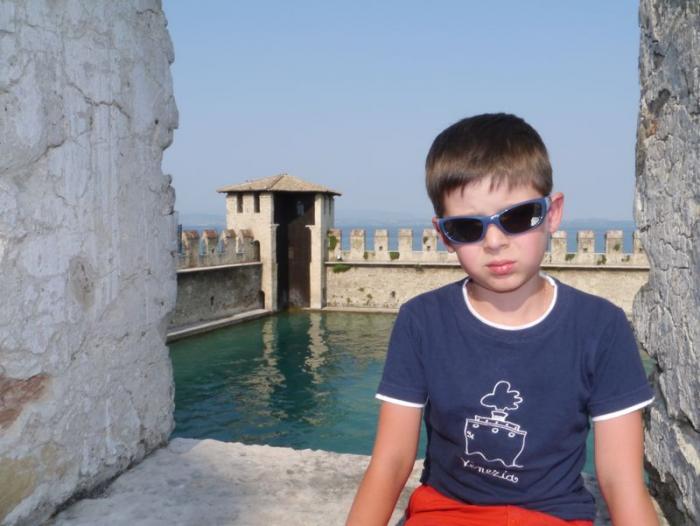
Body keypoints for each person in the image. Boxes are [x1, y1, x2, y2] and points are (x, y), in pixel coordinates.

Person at [346, 113, 658, 526]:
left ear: (553, 213)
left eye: (518, 217)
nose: (494, 242)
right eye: (466, 227)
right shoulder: (421, 322)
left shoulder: (602, 327)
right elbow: (391, 460)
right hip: (446, 512)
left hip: (552, 517)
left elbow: (621, 479)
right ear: (443, 234)